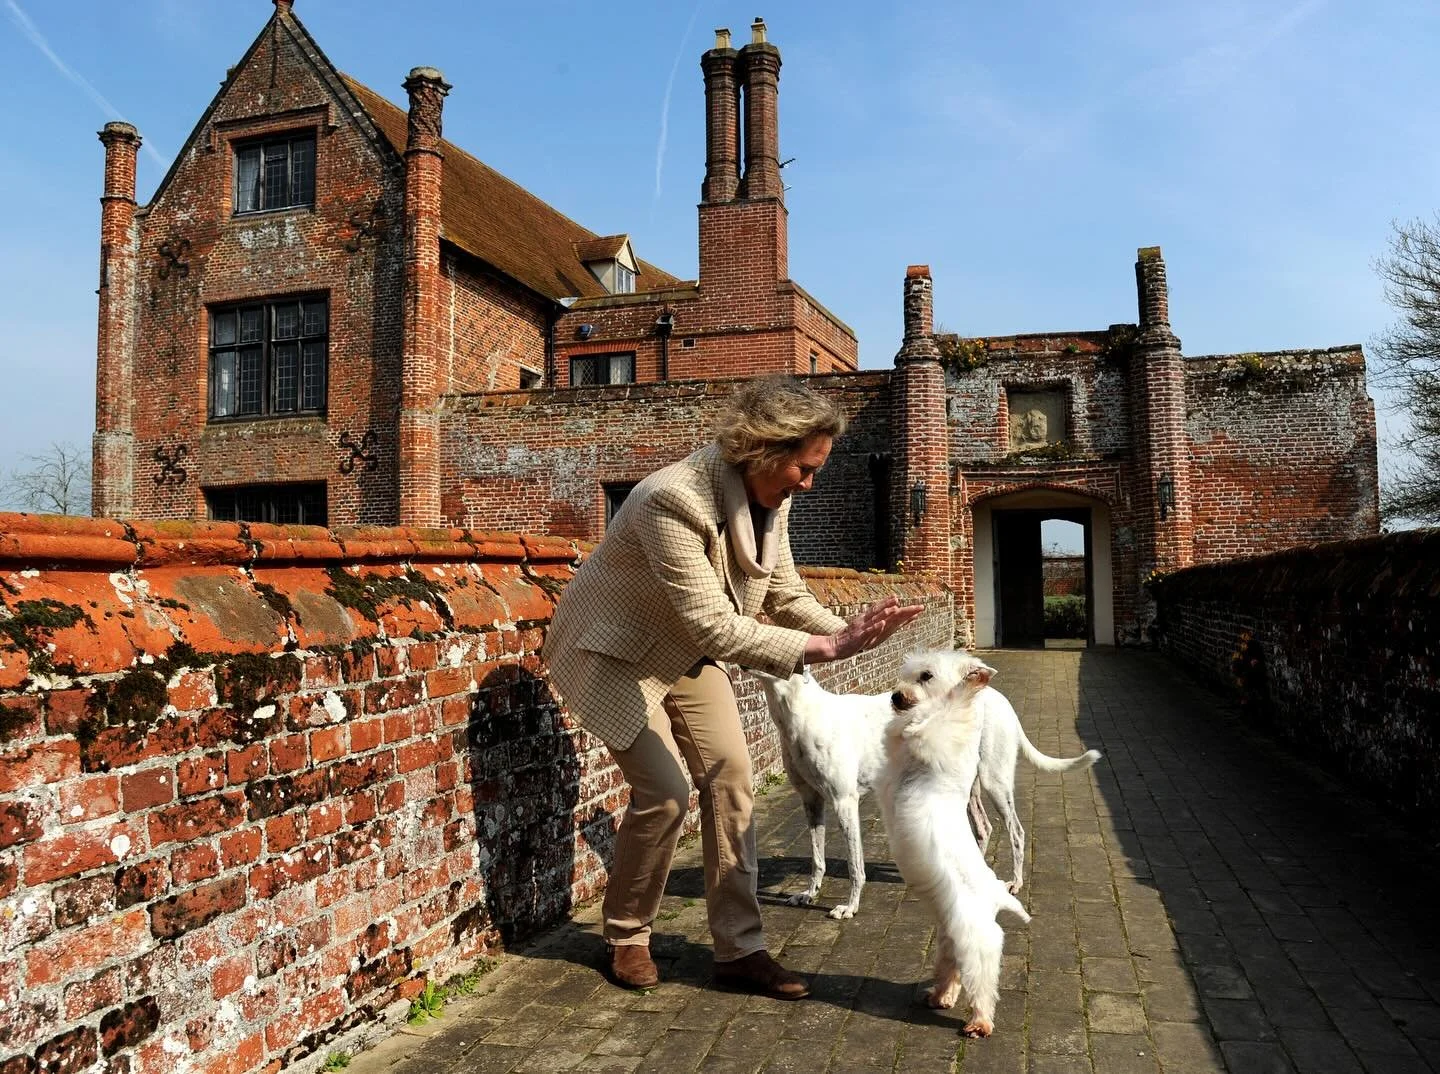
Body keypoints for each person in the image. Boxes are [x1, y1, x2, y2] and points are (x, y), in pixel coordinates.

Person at [543, 375, 923, 1000]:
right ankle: (627, 934)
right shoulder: (672, 499)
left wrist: (846, 631)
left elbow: (784, 592)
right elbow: (714, 625)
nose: (809, 483)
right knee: (665, 793)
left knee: (732, 778)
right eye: (804, 468)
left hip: (684, 650)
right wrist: (824, 649)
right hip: (614, 650)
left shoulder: (771, 498)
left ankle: (739, 950)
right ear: (764, 449)